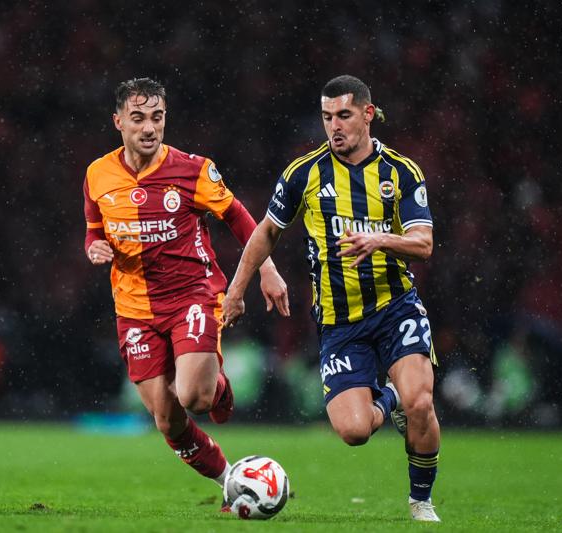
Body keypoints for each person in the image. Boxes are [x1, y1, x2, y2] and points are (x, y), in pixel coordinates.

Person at [223, 75, 442, 522]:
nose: (334, 126)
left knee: (421, 402)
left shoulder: (401, 172)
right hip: (339, 322)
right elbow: (267, 231)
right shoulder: (303, 173)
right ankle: (390, 399)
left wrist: (379, 240)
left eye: (343, 115)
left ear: (367, 113)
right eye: (327, 117)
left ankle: (421, 501)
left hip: (395, 306)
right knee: (354, 431)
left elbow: (423, 244)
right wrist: (237, 289)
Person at [83, 78, 289, 508]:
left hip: (192, 295)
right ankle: (229, 480)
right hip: (134, 309)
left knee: (194, 396)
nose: (149, 127)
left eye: (157, 117)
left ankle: (218, 387)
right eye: (138, 118)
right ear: (118, 121)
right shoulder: (97, 174)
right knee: (168, 420)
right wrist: (94, 247)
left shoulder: (193, 170)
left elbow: (238, 216)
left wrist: (267, 270)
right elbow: (94, 230)